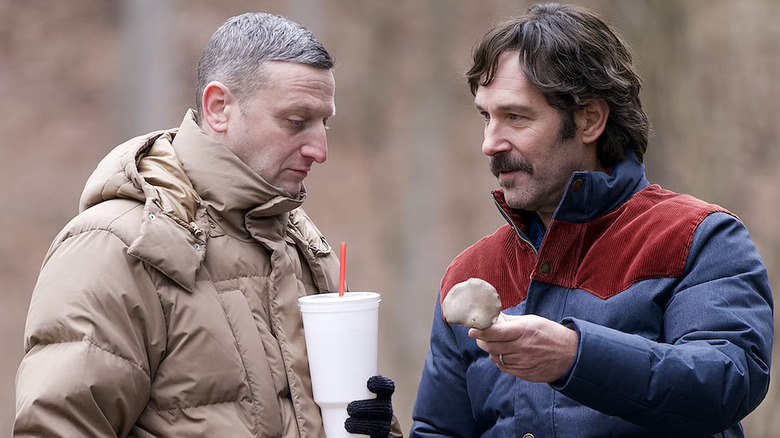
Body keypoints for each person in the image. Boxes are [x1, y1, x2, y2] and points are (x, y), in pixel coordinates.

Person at [14, 12, 400, 438]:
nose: (320, 150)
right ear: (219, 108)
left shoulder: (301, 246)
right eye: (296, 121)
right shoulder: (115, 246)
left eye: (324, 123)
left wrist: (372, 429)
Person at [411, 3, 773, 437]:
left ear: (590, 120)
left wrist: (575, 356)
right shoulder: (470, 271)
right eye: (486, 117)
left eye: (515, 117)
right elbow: (439, 431)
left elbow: (726, 381)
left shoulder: (700, 237)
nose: (490, 143)